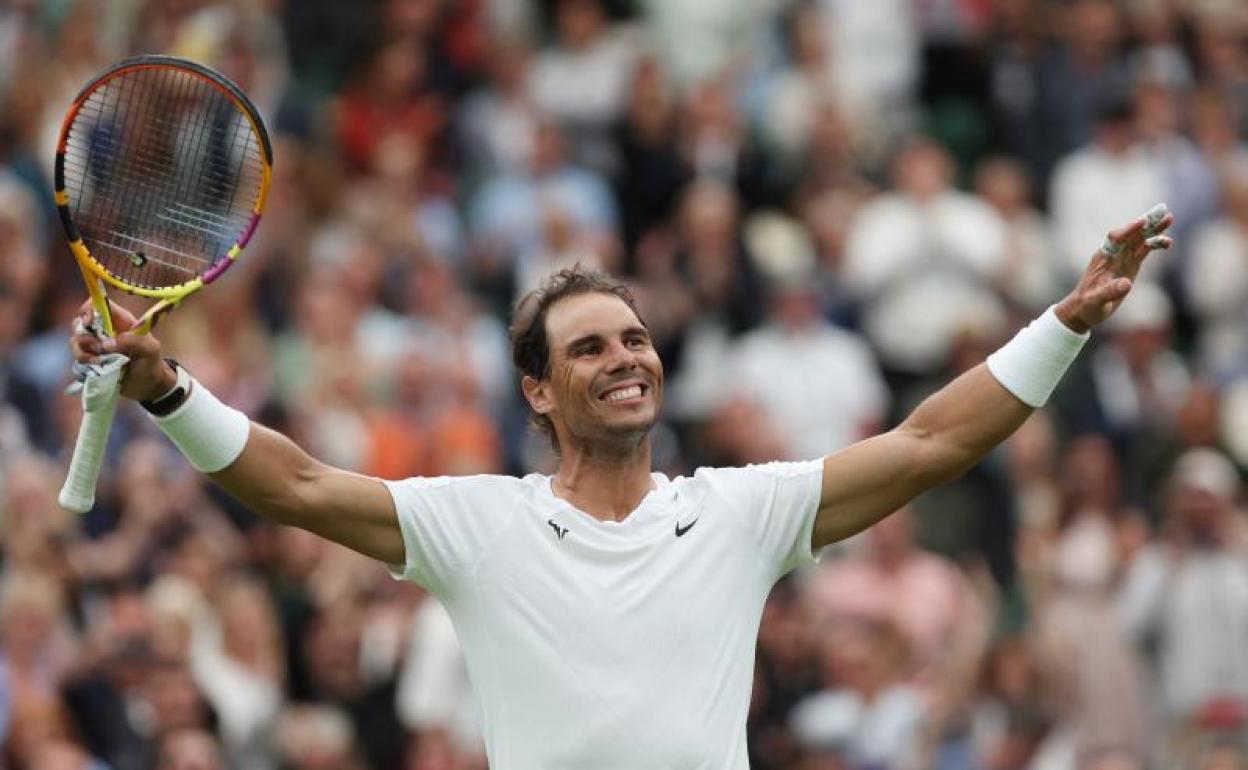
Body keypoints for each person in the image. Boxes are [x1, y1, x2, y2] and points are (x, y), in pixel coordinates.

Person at [68, 208, 1174, 770]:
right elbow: (299, 484)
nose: (626, 357)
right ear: (537, 390)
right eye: (590, 347)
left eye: (636, 338)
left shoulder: (739, 511)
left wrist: (1064, 322)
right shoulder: (478, 524)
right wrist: (169, 389)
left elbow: (930, 442)